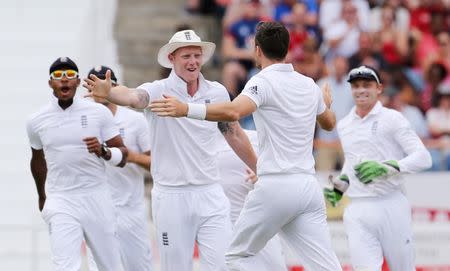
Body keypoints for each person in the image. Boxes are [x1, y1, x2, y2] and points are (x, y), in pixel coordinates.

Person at [149, 22, 342, 271]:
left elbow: (233, 111)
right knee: (327, 266)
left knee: (234, 257)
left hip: (276, 186)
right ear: (287, 50)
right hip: (308, 188)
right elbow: (328, 123)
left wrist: (186, 109)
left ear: (257, 50)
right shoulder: (309, 85)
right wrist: (325, 102)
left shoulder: (260, 82)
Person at [83, 30, 257, 271]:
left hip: (210, 193)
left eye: (197, 55)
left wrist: (261, 169)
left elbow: (234, 133)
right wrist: (110, 92)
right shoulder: (157, 90)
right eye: (186, 56)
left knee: (223, 266)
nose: (193, 61)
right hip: (172, 196)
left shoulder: (216, 91)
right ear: (172, 58)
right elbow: (134, 97)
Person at [324, 65, 432, 270]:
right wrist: (340, 187)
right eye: (356, 86)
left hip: (391, 204)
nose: (361, 90)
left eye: (367, 85)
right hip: (357, 208)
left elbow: (423, 157)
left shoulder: (393, 118)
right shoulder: (345, 125)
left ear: (379, 88)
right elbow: (352, 162)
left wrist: (388, 167)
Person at [26, 57, 127, 271]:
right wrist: (42, 196)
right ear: (50, 83)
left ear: (78, 82)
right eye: (59, 77)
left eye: (70, 76)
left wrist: (104, 151)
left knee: (110, 266)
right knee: (64, 266)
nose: (65, 81)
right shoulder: (36, 120)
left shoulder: (98, 112)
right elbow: (37, 159)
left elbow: (123, 155)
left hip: (96, 196)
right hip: (61, 199)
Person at [85, 66, 153, 271]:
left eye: (107, 85)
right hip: (97, 211)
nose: (101, 90)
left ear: (115, 87)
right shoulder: (83, 119)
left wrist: (128, 155)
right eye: (95, 85)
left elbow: (156, 164)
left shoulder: (135, 120)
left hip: (130, 210)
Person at [216, 129, 287, 270]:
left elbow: (279, 181)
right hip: (222, 230)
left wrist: (262, 179)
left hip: (260, 228)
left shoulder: (257, 138)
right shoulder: (200, 144)